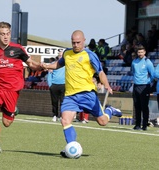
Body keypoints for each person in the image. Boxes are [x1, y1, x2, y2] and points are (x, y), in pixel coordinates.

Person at [41, 30, 122, 158]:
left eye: (78, 42)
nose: (75, 45)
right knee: (65, 120)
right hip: (70, 96)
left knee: (102, 122)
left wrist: (106, 84)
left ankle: (110, 111)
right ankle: (72, 147)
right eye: (73, 42)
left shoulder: (90, 55)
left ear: (84, 41)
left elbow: (100, 72)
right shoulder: (67, 53)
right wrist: (48, 65)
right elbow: (58, 64)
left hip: (87, 94)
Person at [0, 22, 42, 153]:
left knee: (6, 123)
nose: (6, 37)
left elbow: (30, 64)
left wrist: (41, 66)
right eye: (2, 34)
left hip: (12, 89)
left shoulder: (17, 49)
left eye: (7, 34)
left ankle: (13, 111)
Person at [131, 45, 154, 131]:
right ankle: (137, 125)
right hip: (136, 86)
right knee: (137, 106)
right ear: (137, 53)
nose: (140, 54)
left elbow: (152, 74)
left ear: (144, 52)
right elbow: (133, 72)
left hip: (145, 86)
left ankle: (144, 125)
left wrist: (148, 83)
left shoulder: (148, 62)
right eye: (139, 52)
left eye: (141, 52)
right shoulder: (134, 62)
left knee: (144, 106)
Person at [47, 52, 65, 122]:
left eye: (61, 55)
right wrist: (50, 85)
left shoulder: (67, 64)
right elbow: (49, 75)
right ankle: (55, 115)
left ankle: (61, 115)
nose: (60, 56)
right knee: (54, 101)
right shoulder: (53, 64)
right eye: (59, 55)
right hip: (54, 85)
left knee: (63, 101)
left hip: (63, 84)